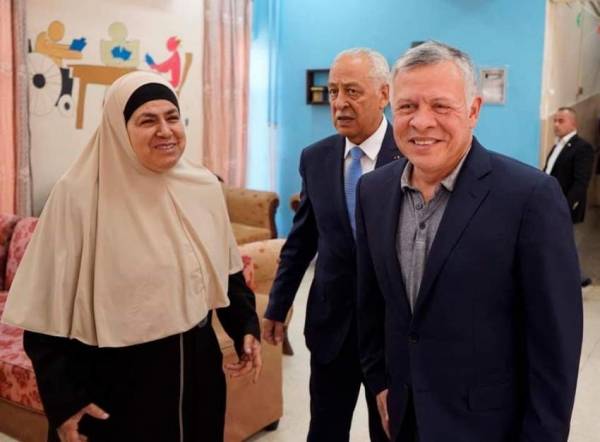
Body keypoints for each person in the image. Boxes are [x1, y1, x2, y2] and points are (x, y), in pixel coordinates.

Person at [1, 71, 261, 442]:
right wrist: (64, 400)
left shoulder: (202, 186)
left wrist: (245, 328)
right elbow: (44, 313)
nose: (165, 131)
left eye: (172, 117)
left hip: (198, 377)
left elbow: (226, 270)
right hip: (115, 391)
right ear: (118, 129)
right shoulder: (79, 197)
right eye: (147, 120)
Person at [355, 41, 582, 442]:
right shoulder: (373, 191)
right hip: (402, 418)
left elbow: (555, 344)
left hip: (487, 426)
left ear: (474, 110)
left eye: (441, 106)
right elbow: (372, 302)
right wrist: (379, 382)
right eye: (407, 106)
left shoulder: (530, 197)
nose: (421, 121)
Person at [262, 48, 400, 441]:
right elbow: (302, 239)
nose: (339, 102)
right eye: (333, 91)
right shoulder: (316, 158)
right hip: (331, 327)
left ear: (384, 94)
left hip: (391, 332)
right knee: (324, 430)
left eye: (352, 91)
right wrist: (278, 304)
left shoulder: (410, 155)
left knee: (391, 432)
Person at [544, 106, 594, 286]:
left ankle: (576, 278)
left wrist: (565, 206)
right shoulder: (557, 146)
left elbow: (581, 182)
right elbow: (548, 172)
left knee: (567, 243)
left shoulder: (582, 148)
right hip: (551, 204)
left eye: (561, 121)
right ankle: (573, 277)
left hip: (565, 206)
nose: (556, 125)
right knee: (559, 243)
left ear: (573, 123)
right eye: (554, 121)